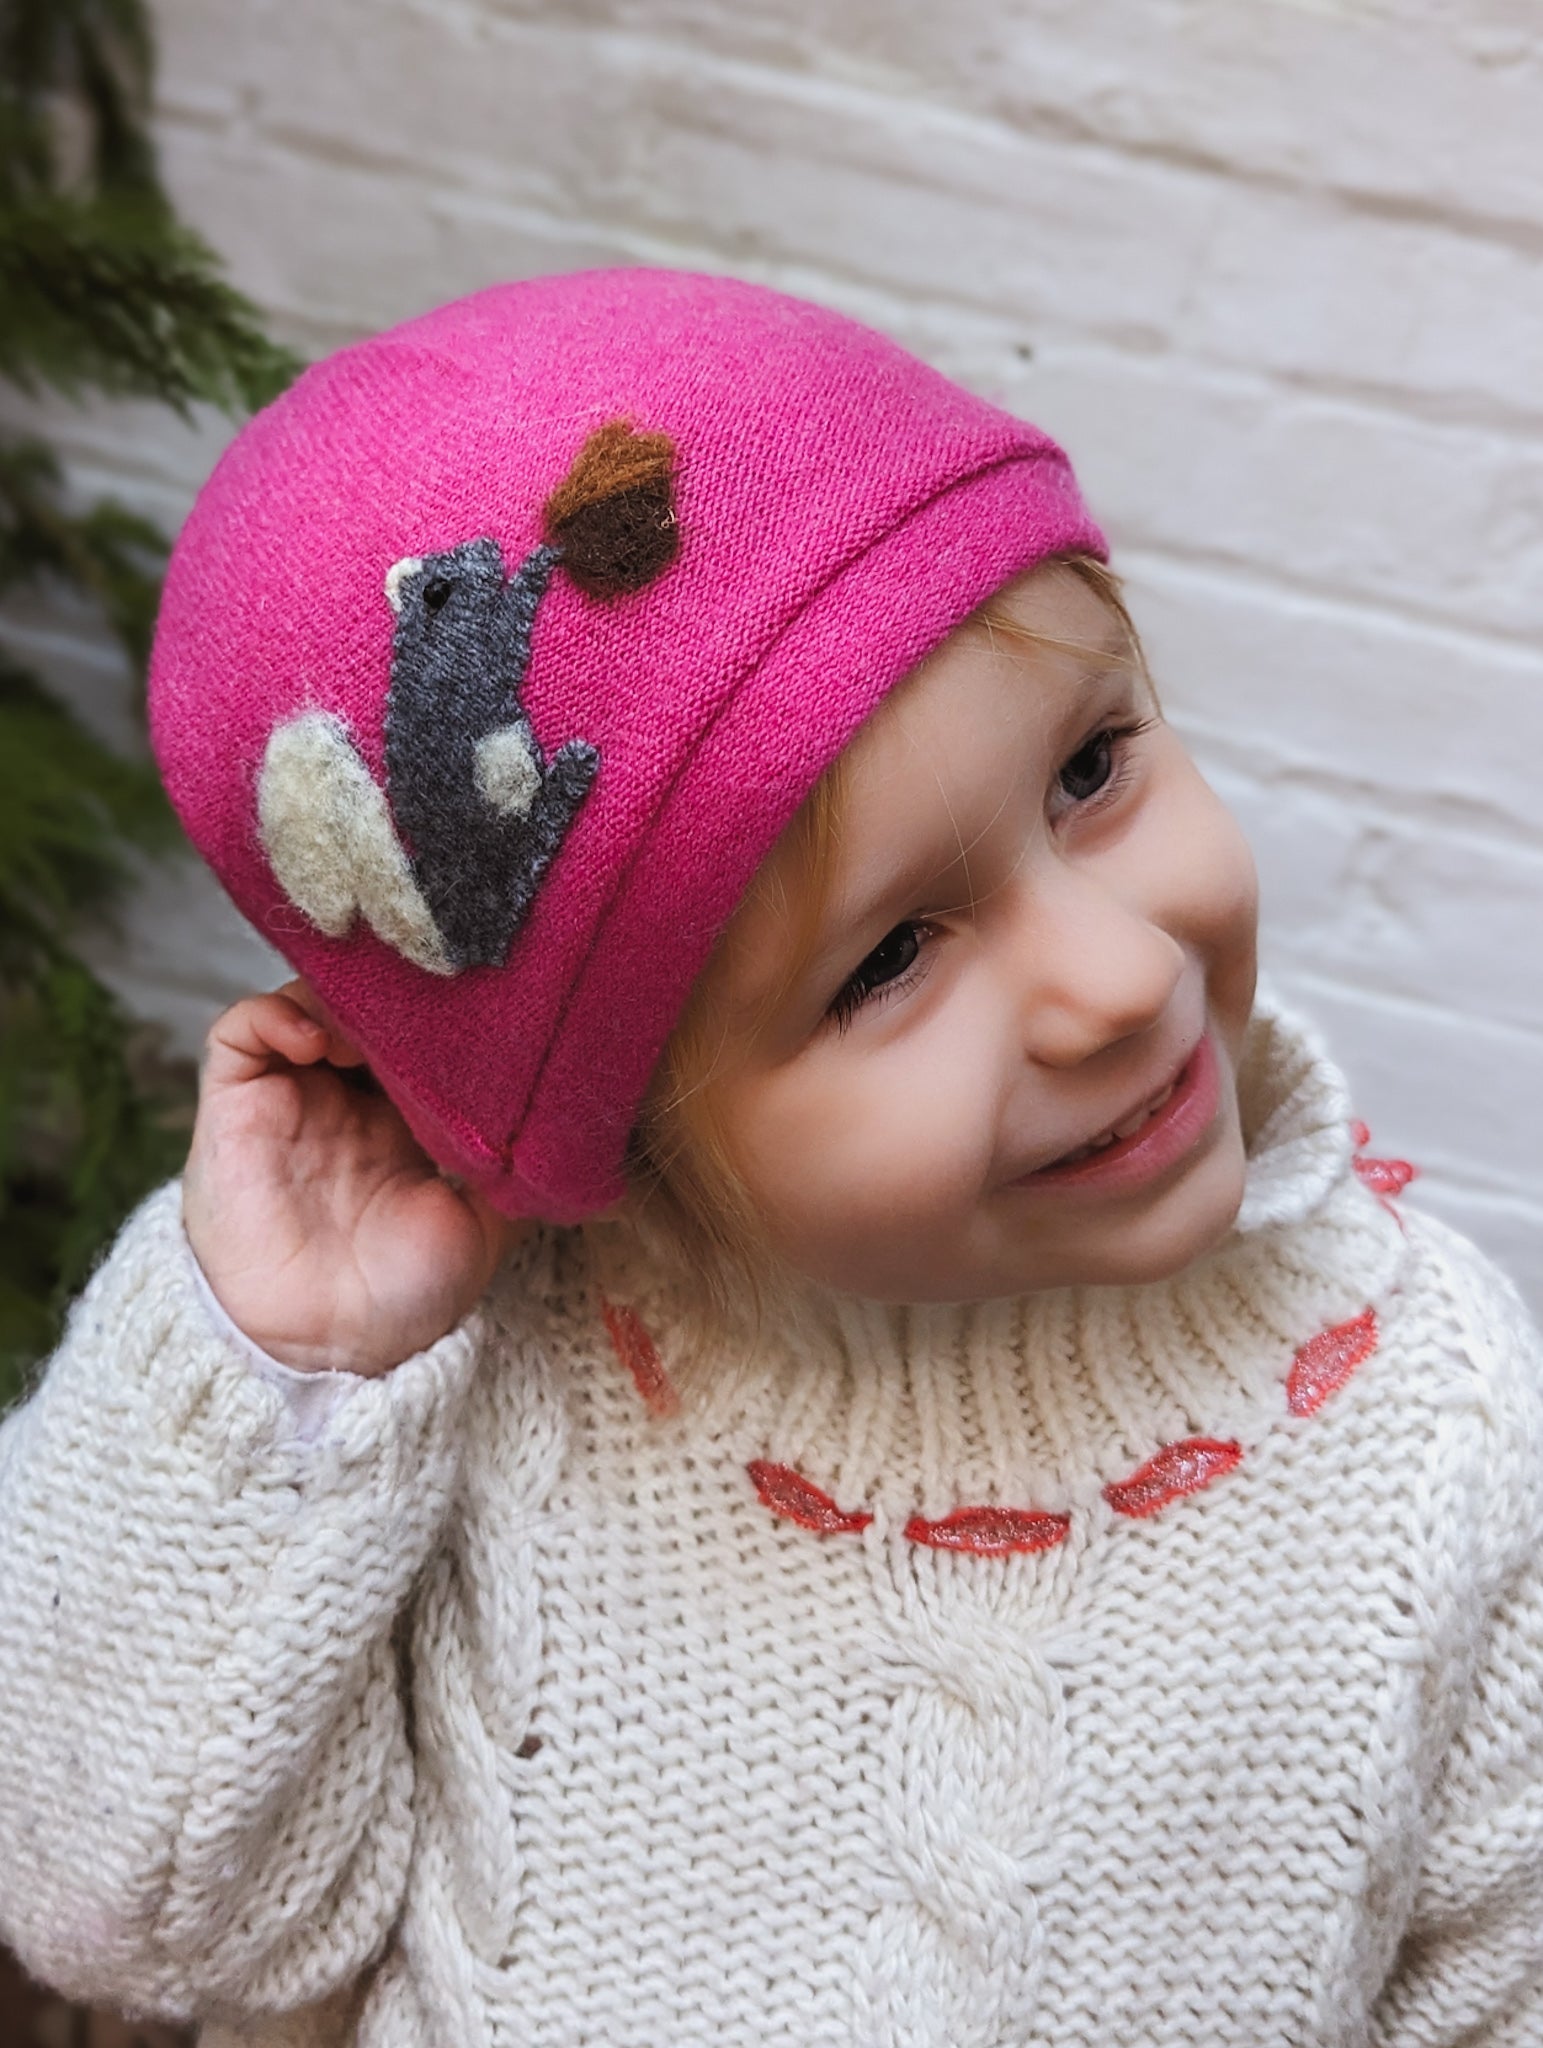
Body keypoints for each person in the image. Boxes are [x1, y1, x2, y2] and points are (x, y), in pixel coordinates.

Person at [1, 269, 1541, 2048]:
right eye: (888, 960)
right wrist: (268, 1370)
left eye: (1094, 768)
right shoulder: (479, 1378)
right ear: (629, 1139)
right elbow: (130, 1910)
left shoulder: (1434, 1430)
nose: (1118, 979)